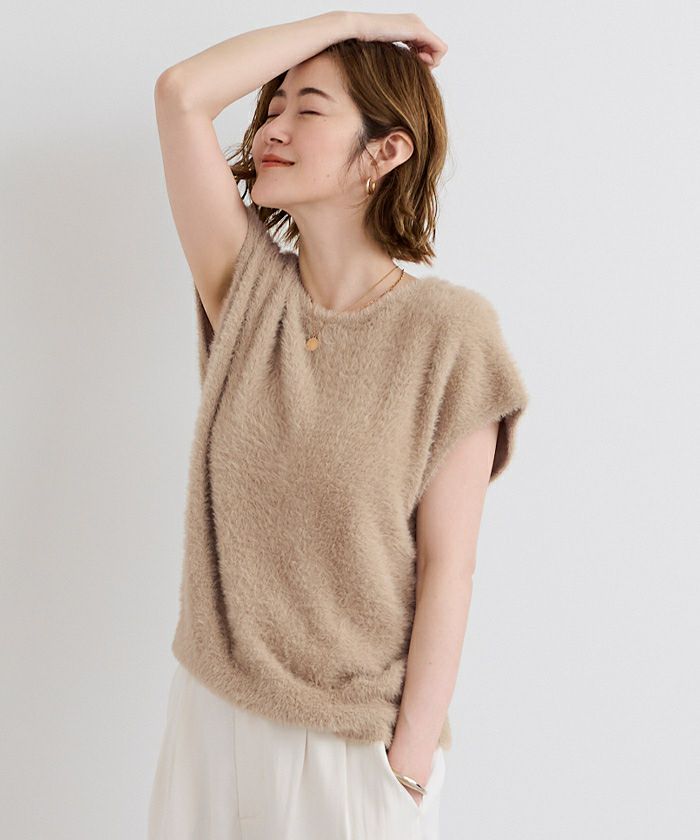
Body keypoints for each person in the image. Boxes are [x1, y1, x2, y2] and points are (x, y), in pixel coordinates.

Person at [148, 11, 528, 840]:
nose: (272, 129)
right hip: (211, 722)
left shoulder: (451, 335)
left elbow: (449, 569)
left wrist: (408, 763)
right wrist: (357, 19)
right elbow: (181, 95)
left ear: (385, 152)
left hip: (351, 749)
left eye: (309, 109)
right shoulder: (249, 293)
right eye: (272, 108)